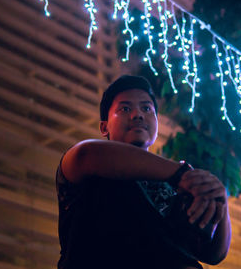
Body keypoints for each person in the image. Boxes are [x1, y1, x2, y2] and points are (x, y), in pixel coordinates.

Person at [56, 75, 231, 269]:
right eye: (125, 109)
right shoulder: (90, 165)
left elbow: (212, 254)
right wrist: (180, 174)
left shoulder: (174, 186)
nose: (137, 115)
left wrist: (220, 200)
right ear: (104, 127)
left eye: (146, 108)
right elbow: (86, 154)